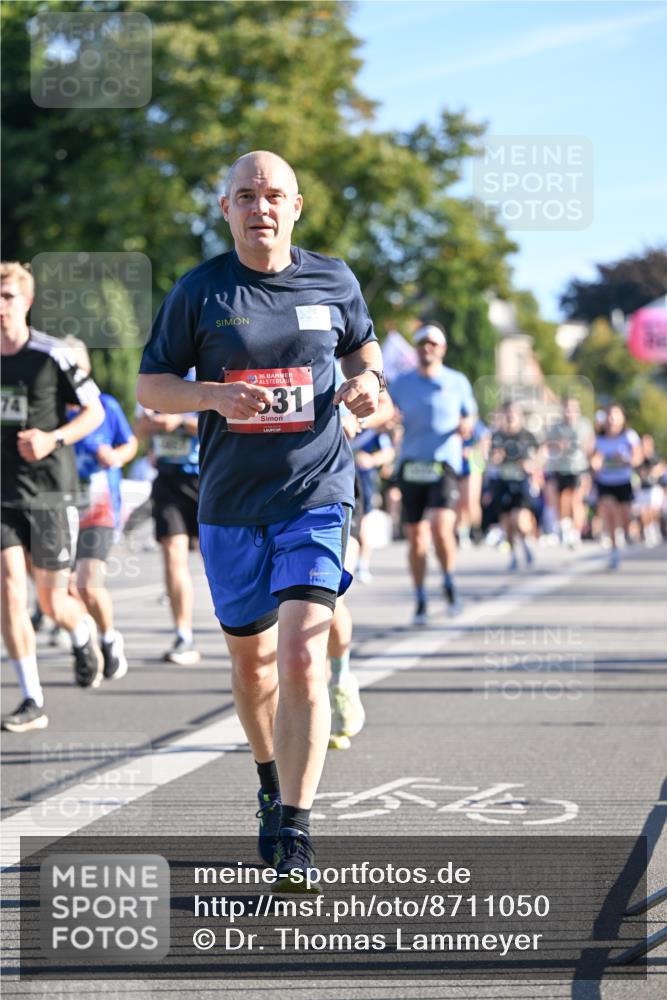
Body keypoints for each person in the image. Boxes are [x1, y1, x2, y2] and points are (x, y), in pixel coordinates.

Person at [136, 151, 383, 887]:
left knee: (302, 655)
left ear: (296, 206)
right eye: (245, 195)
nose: (260, 206)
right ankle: (270, 783)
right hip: (231, 505)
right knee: (251, 663)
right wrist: (210, 396)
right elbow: (151, 386)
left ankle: (299, 828)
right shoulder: (201, 291)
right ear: (226, 209)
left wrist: (368, 383)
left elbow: (361, 348)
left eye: (273, 195)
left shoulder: (332, 277)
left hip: (315, 493)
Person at [1, 262, 105, 732]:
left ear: (26, 301)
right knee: (8, 586)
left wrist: (53, 439)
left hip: (49, 491)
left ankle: (82, 632)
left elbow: (95, 412)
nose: (0, 307)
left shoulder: (52, 354)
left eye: (7, 297)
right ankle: (31, 698)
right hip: (3, 492)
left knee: (53, 600)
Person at [389, 322, 476, 625]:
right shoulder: (401, 382)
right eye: (422, 343)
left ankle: (449, 581)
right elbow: (388, 413)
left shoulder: (457, 381)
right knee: (415, 538)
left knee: (440, 527)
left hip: (444, 464)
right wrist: (391, 422)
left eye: (433, 344)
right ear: (416, 349)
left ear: (443, 349)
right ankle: (420, 597)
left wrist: (467, 426)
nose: (427, 348)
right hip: (411, 464)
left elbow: (471, 416)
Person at [64, 338, 137, 680]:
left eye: (74, 366)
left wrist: (117, 457)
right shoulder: (49, 410)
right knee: (65, 588)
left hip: (100, 506)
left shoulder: (105, 406)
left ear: (86, 368)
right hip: (60, 506)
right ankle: (86, 648)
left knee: (89, 583)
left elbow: (130, 443)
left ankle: (109, 640)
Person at [134, 380, 202, 665]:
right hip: (167, 479)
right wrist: (151, 426)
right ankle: (183, 634)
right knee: (173, 555)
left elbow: (227, 420)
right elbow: (137, 431)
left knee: (220, 559)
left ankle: (244, 631)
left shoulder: (210, 364)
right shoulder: (155, 374)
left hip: (207, 477)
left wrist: (180, 423)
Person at [489, 401, 541, 571]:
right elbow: (489, 459)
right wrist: (495, 458)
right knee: (507, 523)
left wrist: (531, 465)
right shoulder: (497, 436)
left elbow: (541, 454)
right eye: (508, 413)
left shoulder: (527, 436)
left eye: (514, 413)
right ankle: (513, 555)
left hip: (520, 482)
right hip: (502, 482)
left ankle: (526, 544)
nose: (511, 417)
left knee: (518, 520)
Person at [591, 404, 642, 568]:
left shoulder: (629, 436)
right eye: (608, 415)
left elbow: (637, 458)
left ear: (622, 418)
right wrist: (595, 464)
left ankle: (627, 532)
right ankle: (614, 549)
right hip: (605, 482)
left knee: (625, 517)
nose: (611, 419)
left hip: (623, 481)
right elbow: (593, 459)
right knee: (609, 512)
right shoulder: (599, 439)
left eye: (615, 415)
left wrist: (625, 460)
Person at [544, 396, 594, 548]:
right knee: (562, 500)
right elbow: (547, 445)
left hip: (579, 468)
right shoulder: (556, 427)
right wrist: (558, 446)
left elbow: (590, 446)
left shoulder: (584, 425)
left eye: (573, 409)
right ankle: (565, 527)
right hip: (560, 468)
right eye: (567, 408)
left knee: (576, 500)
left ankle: (576, 532)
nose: (569, 412)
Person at [637, 434, 665, 548]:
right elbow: (637, 470)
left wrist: (653, 472)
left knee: (654, 510)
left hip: (655, 487)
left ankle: (655, 529)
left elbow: (660, 468)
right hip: (643, 488)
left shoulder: (655, 455)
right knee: (644, 511)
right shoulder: (639, 457)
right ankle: (648, 531)